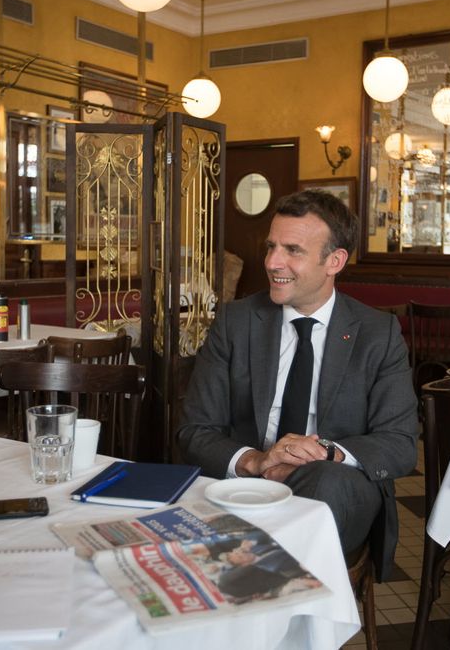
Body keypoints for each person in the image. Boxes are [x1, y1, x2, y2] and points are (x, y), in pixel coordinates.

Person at [177, 189, 418, 580]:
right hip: (248, 486)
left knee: (324, 482)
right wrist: (257, 461)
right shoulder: (236, 322)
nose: (273, 262)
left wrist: (320, 455)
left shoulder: (378, 333)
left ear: (334, 261)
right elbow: (195, 430)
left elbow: (400, 444)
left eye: (293, 250)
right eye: (271, 247)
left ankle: (259, 592)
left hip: (338, 490)